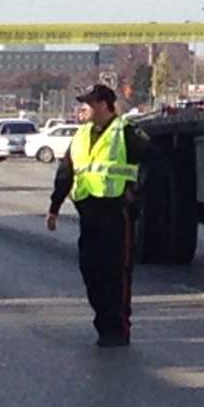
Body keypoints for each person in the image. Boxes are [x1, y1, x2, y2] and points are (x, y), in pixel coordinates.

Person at [46, 84, 153, 347]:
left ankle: (117, 329)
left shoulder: (126, 132)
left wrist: (134, 192)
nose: (84, 108)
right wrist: (54, 208)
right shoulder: (81, 135)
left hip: (117, 213)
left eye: (89, 103)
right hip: (89, 215)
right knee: (91, 270)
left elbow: (153, 162)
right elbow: (66, 173)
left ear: (104, 105)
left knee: (116, 272)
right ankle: (103, 322)